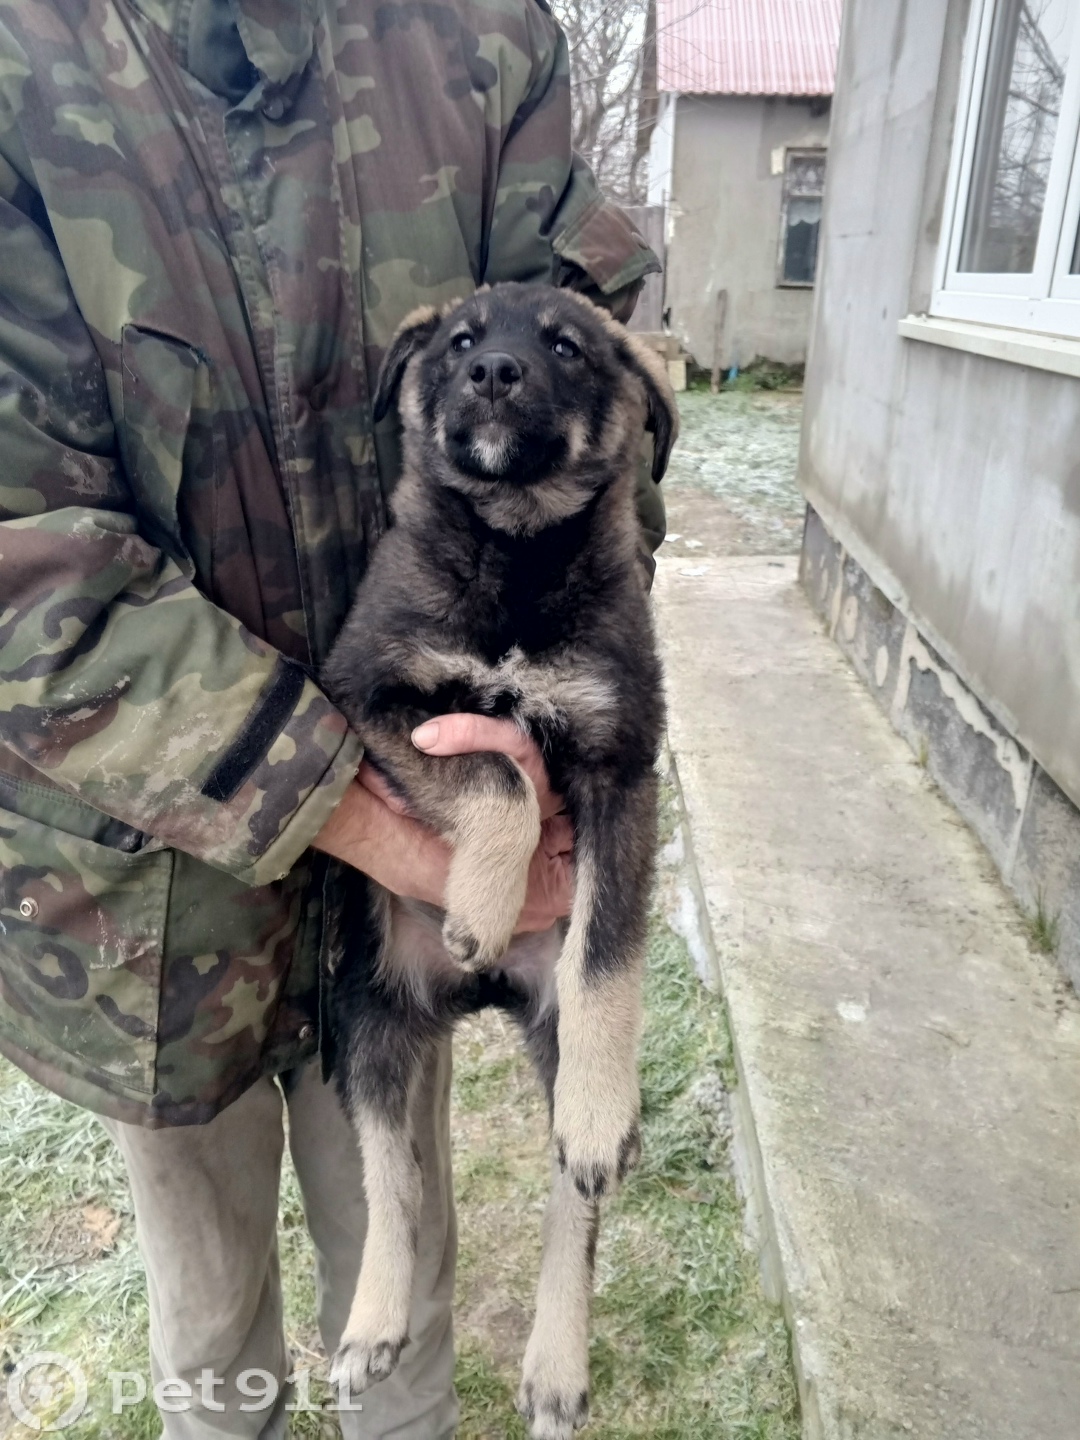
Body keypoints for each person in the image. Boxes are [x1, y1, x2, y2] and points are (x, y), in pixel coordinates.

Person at [0, 0, 663, 1434]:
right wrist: (411, 835)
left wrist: (564, 644)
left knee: (400, 1299)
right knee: (212, 1325)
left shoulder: (481, 39)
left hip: (452, 849)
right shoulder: (29, 58)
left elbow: (593, 372)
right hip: (156, 900)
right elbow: (23, 555)